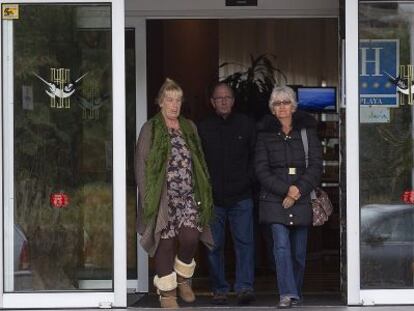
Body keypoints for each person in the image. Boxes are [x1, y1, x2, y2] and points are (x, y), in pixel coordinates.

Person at [135, 78, 214, 308]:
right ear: (160, 102)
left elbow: (199, 160)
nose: (174, 104)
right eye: (169, 99)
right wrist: (149, 200)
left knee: (191, 236)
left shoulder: (190, 126)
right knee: (165, 243)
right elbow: (141, 165)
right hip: (162, 198)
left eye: (178, 100)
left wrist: (204, 187)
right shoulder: (150, 128)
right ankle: (167, 293)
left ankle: (183, 277)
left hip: (189, 194)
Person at [255, 85, 323, 309]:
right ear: (272, 109)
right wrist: (286, 190)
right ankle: (287, 294)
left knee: (299, 253)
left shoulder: (307, 133)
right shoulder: (264, 135)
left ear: (293, 106)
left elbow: (315, 167)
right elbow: (261, 170)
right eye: (277, 104)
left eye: (286, 103)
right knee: (281, 248)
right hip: (274, 201)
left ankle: (296, 292)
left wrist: (296, 191)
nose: (282, 107)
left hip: (301, 199)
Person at [198, 82, 256, 305]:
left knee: (245, 244)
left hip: (241, 197)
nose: (223, 101)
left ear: (234, 100)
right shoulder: (203, 127)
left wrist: (247, 182)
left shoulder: (246, 125)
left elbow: (255, 158)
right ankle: (219, 288)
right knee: (214, 246)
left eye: (227, 97)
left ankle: (244, 288)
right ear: (212, 102)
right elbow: (198, 163)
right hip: (213, 199)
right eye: (219, 98)